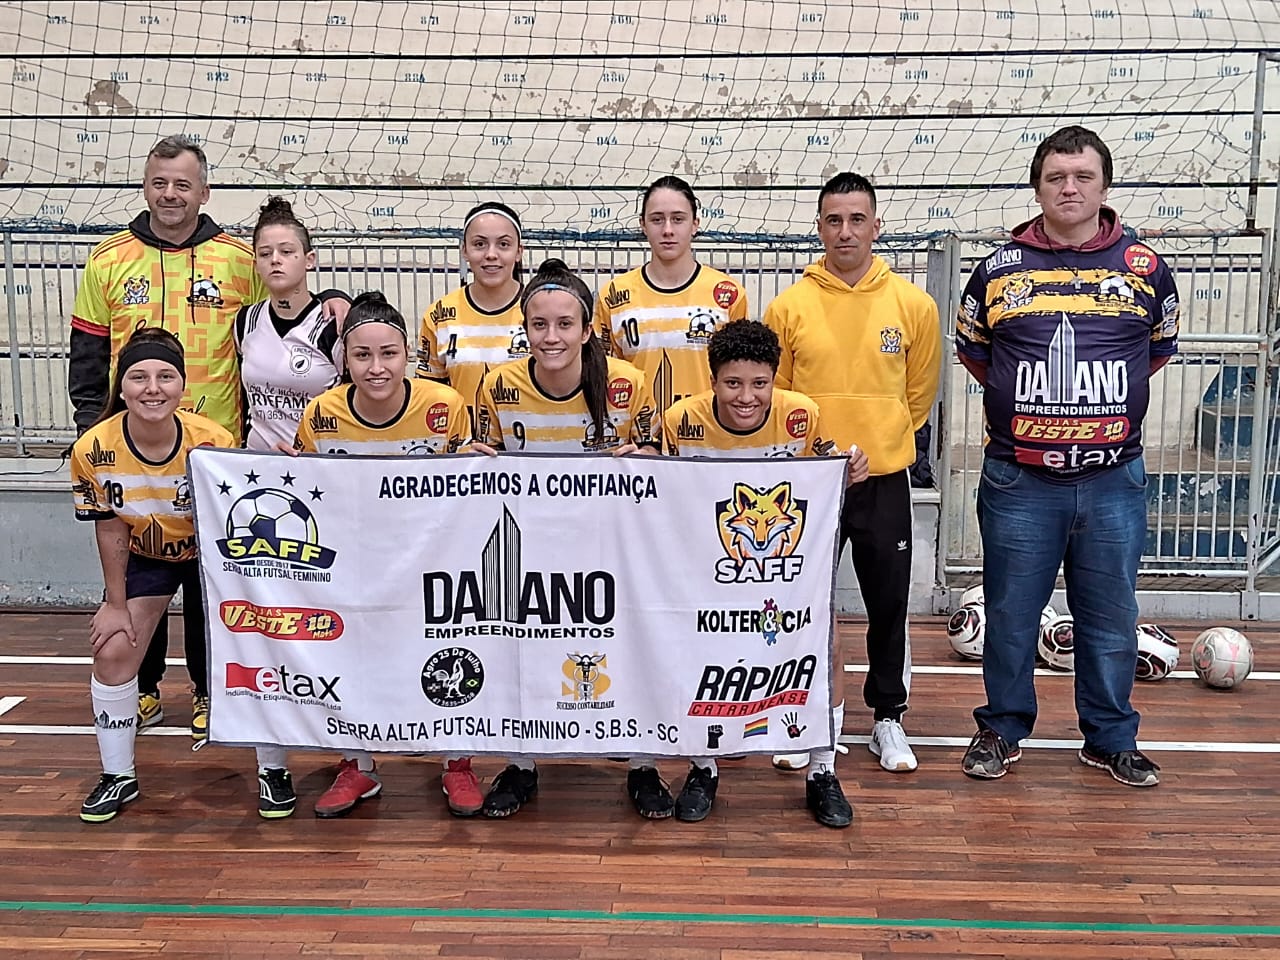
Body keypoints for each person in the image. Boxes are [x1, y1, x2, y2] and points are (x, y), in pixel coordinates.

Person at [66, 135, 348, 741]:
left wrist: (335, 301)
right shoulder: (107, 259)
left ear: (204, 192)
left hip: (216, 452)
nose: (170, 194)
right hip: (133, 451)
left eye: (183, 184)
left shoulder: (237, 260)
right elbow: (87, 355)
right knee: (133, 569)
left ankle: (206, 690)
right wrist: (94, 431)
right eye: (160, 182)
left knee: (209, 580)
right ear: (146, 186)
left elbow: (285, 310)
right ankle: (138, 692)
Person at [954, 125, 1179, 788]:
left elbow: (1157, 348)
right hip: (1020, 481)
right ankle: (1000, 728)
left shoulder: (1143, 268)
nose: (1069, 188)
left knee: (1110, 616)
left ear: (1104, 186)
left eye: (1082, 176)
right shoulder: (999, 270)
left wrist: (1099, 415)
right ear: (1038, 187)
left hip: (1113, 481)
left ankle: (1110, 738)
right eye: (1056, 177)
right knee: (1012, 615)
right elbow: (977, 354)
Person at [763, 172, 942, 778]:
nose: (845, 231)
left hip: (885, 479)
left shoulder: (913, 305)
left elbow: (918, 396)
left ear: (876, 225)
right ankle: (809, 718)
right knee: (799, 606)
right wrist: (821, 453)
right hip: (808, 484)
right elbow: (775, 398)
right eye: (833, 220)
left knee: (888, 602)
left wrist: (882, 439)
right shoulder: (788, 306)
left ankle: (887, 717)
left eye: (856, 219)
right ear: (819, 228)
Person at [660, 320, 869, 828]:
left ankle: (822, 769)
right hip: (707, 567)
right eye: (733, 383)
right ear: (712, 381)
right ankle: (703, 766)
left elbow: (828, 470)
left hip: (786, 569)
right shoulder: (679, 421)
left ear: (776, 378)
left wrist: (851, 465)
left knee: (828, 644)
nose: (746, 396)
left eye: (759, 383)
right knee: (700, 652)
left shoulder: (802, 415)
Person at [473, 258, 661, 819]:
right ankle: (521, 762)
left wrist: (645, 456)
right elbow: (482, 461)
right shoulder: (499, 385)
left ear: (586, 330)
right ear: (523, 328)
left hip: (611, 544)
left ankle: (642, 763)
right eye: (538, 324)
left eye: (564, 325)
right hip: (530, 546)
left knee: (626, 646)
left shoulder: (627, 384)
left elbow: (658, 456)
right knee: (520, 647)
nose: (550, 337)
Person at [292, 292, 472, 817]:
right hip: (353, 566)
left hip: (433, 559)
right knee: (352, 661)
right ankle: (358, 765)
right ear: (344, 360)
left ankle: (458, 764)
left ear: (408, 357)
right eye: (363, 356)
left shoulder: (445, 408)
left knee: (452, 656)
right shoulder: (322, 414)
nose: (376, 367)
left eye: (389, 354)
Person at [70, 327, 235, 822]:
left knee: (257, 644)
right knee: (114, 648)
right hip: (148, 553)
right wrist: (115, 604)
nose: (153, 387)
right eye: (139, 377)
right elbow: (111, 531)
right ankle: (118, 775)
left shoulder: (214, 441)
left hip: (212, 554)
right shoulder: (94, 450)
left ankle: (273, 769)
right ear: (121, 387)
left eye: (166, 376)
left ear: (183, 386)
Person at [234, 196, 345, 818]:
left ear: (309, 259)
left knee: (328, 621)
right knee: (261, 625)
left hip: (325, 487)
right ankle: (271, 765)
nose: (276, 261)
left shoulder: (335, 320)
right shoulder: (245, 321)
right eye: (265, 253)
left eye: (286, 251)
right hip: (260, 492)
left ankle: (348, 748)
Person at [594, 176, 748, 420]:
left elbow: (740, 376)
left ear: (694, 224)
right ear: (643, 225)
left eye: (678, 219)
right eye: (657, 220)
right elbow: (603, 377)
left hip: (705, 436)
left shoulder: (728, 293)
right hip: (639, 445)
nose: (667, 230)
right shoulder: (613, 295)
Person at [416, 201, 526, 437]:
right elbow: (430, 395)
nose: (491, 254)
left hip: (528, 458)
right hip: (463, 460)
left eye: (504, 244)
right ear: (464, 251)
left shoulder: (540, 310)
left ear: (519, 252)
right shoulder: (440, 314)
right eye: (479, 244)